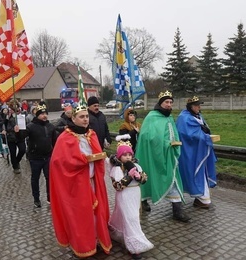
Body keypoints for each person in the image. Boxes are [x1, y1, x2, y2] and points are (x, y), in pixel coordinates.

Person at [49, 104, 112, 258]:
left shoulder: (92, 134)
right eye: (82, 117)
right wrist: (83, 160)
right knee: (82, 215)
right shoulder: (65, 137)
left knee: (96, 213)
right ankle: (84, 244)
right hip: (76, 184)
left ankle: (96, 238)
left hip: (93, 181)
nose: (85, 119)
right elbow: (59, 162)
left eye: (86, 116)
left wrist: (99, 158)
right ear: (73, 118)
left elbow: (98, 154)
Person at [135, 90, 191, 222]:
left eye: (171, 102)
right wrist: (165, 143)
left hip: (170, 155)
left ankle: (177, 211)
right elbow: (146, 136)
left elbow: (173, 133)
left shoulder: (169, 117)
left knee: (174, 180)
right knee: (148, 178)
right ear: (160, 103)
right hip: (154, 156)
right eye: (166, 102)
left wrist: (174, 144)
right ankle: (143, 201)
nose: (169, 104)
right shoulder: (151, 117)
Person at [107, 140, 153, 260]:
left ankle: (115, 230)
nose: (128, 157)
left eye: (129, 155)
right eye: (124, 155)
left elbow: (144, 179)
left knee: (132, 216)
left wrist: (139, 176)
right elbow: (117, 186)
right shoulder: (117, 169)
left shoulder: (136, 166)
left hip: (135, 193)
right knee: (130, 218)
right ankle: (134, 246)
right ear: (119, 156)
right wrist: (129, 176)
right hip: (124, 195)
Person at [176, 96, 217, 209]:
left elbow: (202, 129)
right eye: (196, 105)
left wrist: (205, 133)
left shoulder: (198, 116)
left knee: (201, 173)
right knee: (194, 173)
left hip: (200, 151)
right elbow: (186, 134)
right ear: (190, 107)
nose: (199, 107)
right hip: (190, 152)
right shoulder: (183, 118)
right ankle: (201, 198)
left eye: (199, 105)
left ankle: (202, 198)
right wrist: (204, 136)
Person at [15, 104, 57, 207]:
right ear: (37, 115)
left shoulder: (50, 126)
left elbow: (55, 141)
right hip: (35, 158)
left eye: (45, 113)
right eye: (42, 114)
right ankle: (36, 199)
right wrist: (17, 132)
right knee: (35, 178)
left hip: (47, 157)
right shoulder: (31, 126)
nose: (44, 116)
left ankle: (49, 197)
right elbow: (22, 136)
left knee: (49, 178)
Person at [7, 101, 26, 174]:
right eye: (13, 105)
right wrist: (13, 129)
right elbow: (6, 127)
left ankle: (16, 161)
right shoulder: (8, 115)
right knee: (13, 153)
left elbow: (25, 125)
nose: (15, 106)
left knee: (22, 150)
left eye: (16, 105)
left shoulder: (22, 114)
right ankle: (15, 167)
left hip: (20, 136)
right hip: (11, 137)